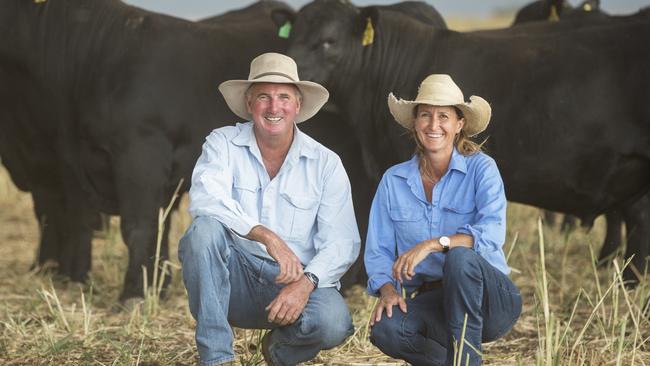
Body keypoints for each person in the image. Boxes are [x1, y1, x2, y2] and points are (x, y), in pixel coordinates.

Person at [179, 52, 361, 366]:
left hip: (293, 283)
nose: (274, 107)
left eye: (283, 97)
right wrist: (267, 237)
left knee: (333, 323)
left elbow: (343, 242)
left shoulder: (326, 163)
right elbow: (205, 198)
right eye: (264, 96)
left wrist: (306, 284)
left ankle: (279, 350)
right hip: (233, 279)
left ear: (298, 105)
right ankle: (217, 358)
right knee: (203, 231)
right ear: (250, 103)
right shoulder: (222, 143)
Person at [364, 74, 522, 365]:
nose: (433, 125)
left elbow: (490, 234)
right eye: (425, 115)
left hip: (489, 299)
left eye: (444, 116)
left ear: (459, 124)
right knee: (386, 328)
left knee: (459, 258)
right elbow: (378, 251)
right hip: (435, 301)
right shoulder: (393, 180)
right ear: (415, 122)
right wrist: (387, 291)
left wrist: (434, 244)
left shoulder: (482, 170)